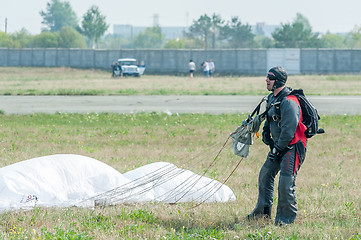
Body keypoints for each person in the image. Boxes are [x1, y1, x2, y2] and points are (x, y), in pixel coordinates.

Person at [247, 66, 307, 226]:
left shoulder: (289, 102)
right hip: (279, 146)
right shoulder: (272, 98)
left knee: (285, 183)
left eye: (270, 78)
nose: (266, 80)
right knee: (265, 175)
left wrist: (277, 149)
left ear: (278, 81)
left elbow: (289, 131)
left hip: (292, 147)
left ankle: (285, 221)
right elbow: (269, 118)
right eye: (267, 77)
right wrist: (266, 134)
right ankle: (262, 213)